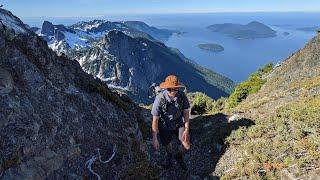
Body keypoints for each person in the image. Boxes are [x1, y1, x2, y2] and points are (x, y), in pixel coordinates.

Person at [151, 75, 191, 171]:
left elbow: (186, 112)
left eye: (175, 89)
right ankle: (169, 155)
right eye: (169, 89)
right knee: (166, 143)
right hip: (165, 125)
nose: (172, 92)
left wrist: (186, 129)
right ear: (166, 88)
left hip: (178, 123)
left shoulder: (182, 96)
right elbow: (155, 119)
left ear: (178, 88)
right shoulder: (160, 99)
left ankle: (178, 156)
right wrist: (154, 137)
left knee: (187, 146)